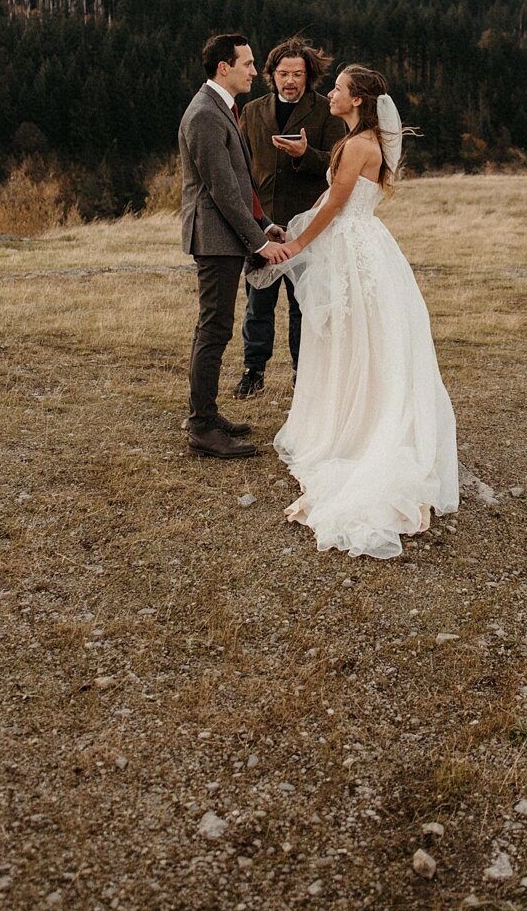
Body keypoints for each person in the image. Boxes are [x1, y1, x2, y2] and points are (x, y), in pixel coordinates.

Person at [256, 66, 460, 560]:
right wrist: (296, 230)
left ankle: (361, 427)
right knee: (354, 337)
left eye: (339, 89)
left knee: (351, 335)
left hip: (352, 248)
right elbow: (331, 200)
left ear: (358, 100)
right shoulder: (360, 140)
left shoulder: (357, 146)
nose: (330, 94)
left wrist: (300, 242)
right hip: (363, 244)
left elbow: (334, 205)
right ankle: (354, 410)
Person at [176, 32, 289, 459]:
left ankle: (205, 413)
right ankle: (202, 426)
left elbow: (240, 184)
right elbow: (222, 190)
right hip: (214, 238)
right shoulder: (205, 114)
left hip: (226, 235)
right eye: (247, 63)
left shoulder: (222, 109)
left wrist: (265, 223)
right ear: (224, 67)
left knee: (215, 327)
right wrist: (259, 244)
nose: (254, 71)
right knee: (214, 329)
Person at [232, 39, 345, 402]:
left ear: (308, 75)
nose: (290, 81)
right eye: (283, 74)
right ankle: (254, 371)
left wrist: (304, 154)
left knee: (303, 304)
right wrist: (251, 218)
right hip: (260, 223)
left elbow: (339, 164)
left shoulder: (327, 111)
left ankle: (303, 373)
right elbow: (241, 166)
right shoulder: (251, 110)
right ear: (271, 75)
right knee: (258, 303)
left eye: (297, 74)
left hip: (307, 223)